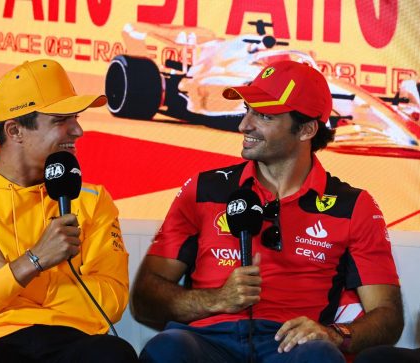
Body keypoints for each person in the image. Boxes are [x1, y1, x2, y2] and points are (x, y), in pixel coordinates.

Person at [131, 60, 403, 363]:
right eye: (248, 110)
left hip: (292, 346)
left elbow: (388, 316)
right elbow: (145, 299)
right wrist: (217, 299)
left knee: (320, 356)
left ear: (307, 129)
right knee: (168, 348)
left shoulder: (353, 206)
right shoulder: (204, 189)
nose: (244, 125)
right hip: (207, 341)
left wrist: (335, 334)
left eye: (263, 115)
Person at [0, 59, 138, 363]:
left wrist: (4, 280)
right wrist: (30, 264)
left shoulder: (93, 199)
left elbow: (110, 303)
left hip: (74, 342)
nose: (78, 130)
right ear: (15, 131)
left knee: (115, 355)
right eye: (61, 119)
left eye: (75, 117)